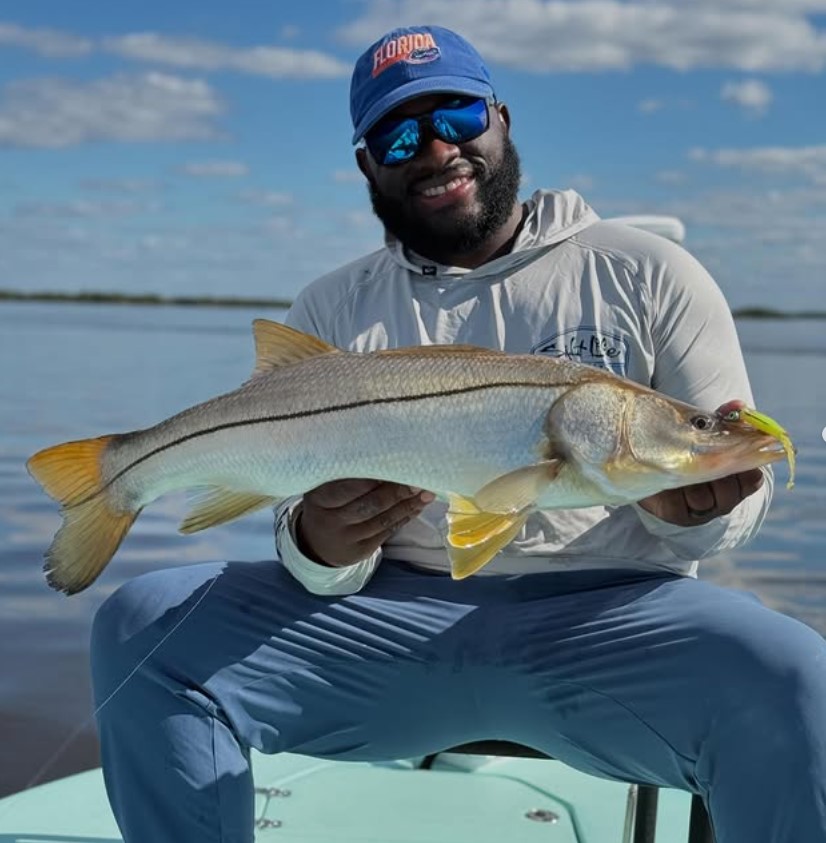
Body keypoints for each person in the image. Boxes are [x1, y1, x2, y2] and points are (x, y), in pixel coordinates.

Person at [90, 24, 826, 843]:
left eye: (459, 116)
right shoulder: (333, 305)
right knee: (142, 624)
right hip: (384, 629)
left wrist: (697, 510)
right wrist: (319, 543)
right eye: (399, 134)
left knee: (797, 672)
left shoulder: (650, 272)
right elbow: (301, 548)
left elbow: (727, 492)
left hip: (615, 619)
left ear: (501, 118)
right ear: (369, 165)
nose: (436, 149)